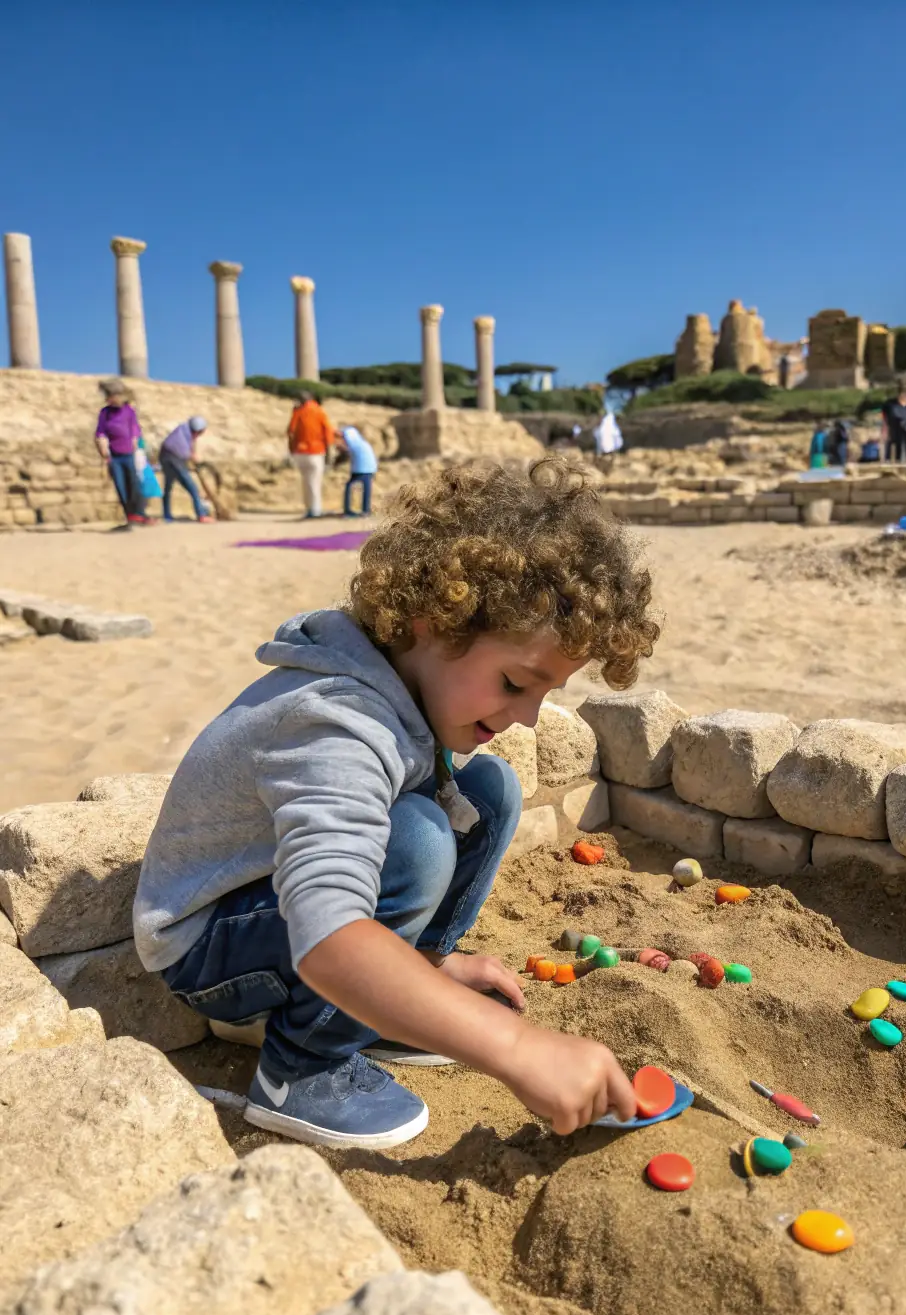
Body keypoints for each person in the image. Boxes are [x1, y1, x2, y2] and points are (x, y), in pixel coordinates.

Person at [133, 459, 656, 1150]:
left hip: (275, 909)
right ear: (430, 623)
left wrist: (434, 971)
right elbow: (326, 934)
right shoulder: (337, 720)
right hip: (207, 945)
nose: (527, 716)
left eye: (543, 694)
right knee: (417, 841)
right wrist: (518, 1048)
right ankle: (302, 1065)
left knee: (488, 791)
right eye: (513, 682)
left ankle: (397, 995)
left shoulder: (405, 685)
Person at [94, 378, 148, 527]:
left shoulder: (128, 411)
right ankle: (129, 516)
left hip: (129, 454)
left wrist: (136, 441)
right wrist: (103, 447)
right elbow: (100, 432)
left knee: (133, 484)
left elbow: (135, 428)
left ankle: (139, 514)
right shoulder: (105, 413)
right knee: (120, 486)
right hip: (115, 457)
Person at [287, 391, 335, 519]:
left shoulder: (297, 411)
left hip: (299, 452)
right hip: (315, 451)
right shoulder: (319, 411)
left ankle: (309, 509)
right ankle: (315, 510)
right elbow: (327, 433)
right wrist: (329, 455)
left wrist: (291, 451)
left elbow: (291, 432)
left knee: (306, 481)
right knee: (315, 481)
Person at [159, 417, 213, 523]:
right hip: (175, 460)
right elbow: (186, 453)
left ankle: (167, 515)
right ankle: (201, 515)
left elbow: (190, 447)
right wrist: (193, 459)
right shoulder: (186, 435)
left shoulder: (183, 430)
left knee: (168, 488)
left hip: (165, 458)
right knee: (193, 488)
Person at [339, 425, 377, 517]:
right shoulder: (361, 443)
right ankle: (365, 510)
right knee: (365, 489)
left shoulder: (355, 444)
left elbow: (347, 452)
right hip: (367, 469)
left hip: (362, 470)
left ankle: (355, 510)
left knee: (351, 487)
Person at [881, 387, 906, 463]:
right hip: (894, 427)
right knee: (893, 443)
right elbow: (886, 416)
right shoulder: (892, 406)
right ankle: (889, 459)